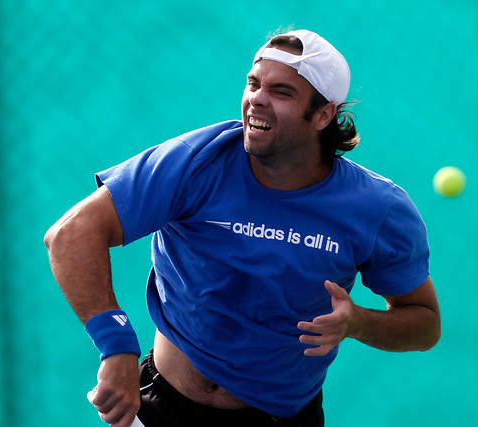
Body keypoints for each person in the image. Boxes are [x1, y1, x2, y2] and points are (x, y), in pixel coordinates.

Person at [45, 29, 441, 427]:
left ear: (323, 115)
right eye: (253, 83)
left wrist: (358, 322)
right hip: (159, 407)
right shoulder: (197, 160)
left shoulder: (378, 207)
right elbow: (71, 235)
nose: (257, 100)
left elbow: (424, 323)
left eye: (282, 92)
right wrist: (115, 348)